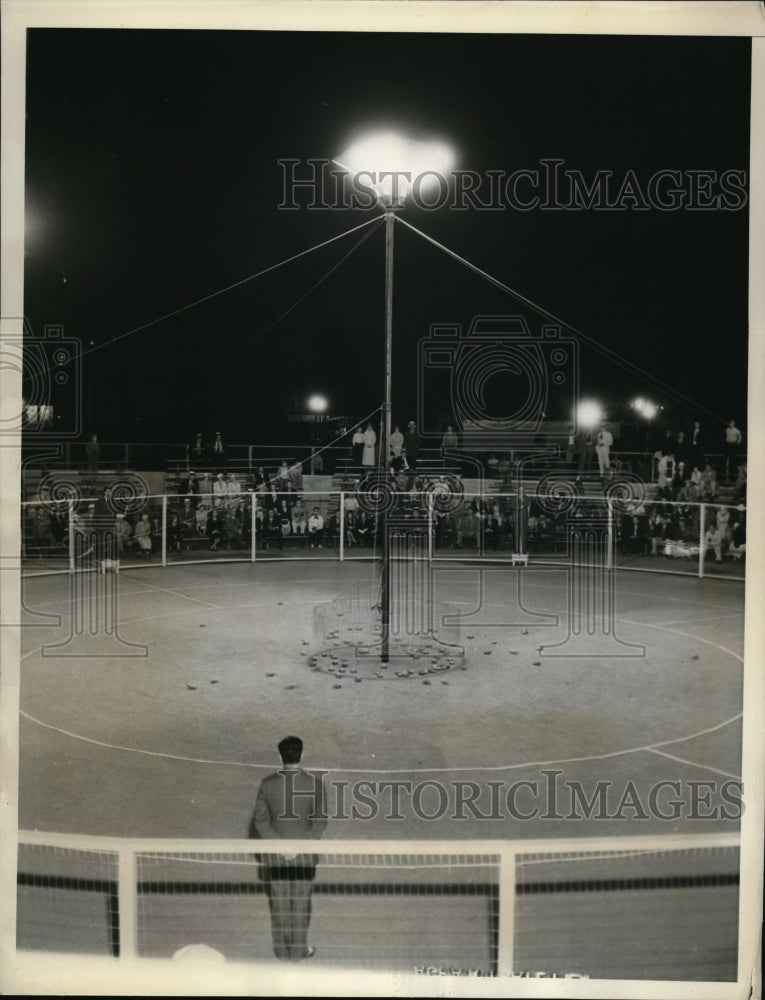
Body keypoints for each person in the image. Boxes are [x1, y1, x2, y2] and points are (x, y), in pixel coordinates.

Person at [251, 736, 327, 962]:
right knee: (302, 901)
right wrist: (299, 846)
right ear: (301, 755)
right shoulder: (315, 784)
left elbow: (260, 821)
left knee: (279, 901)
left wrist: (280, 845)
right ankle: (298, 950)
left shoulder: (267, 783)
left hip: (276, 855)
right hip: (304, 855)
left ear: (279, 756)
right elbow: (320, 822)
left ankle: (281, 951)